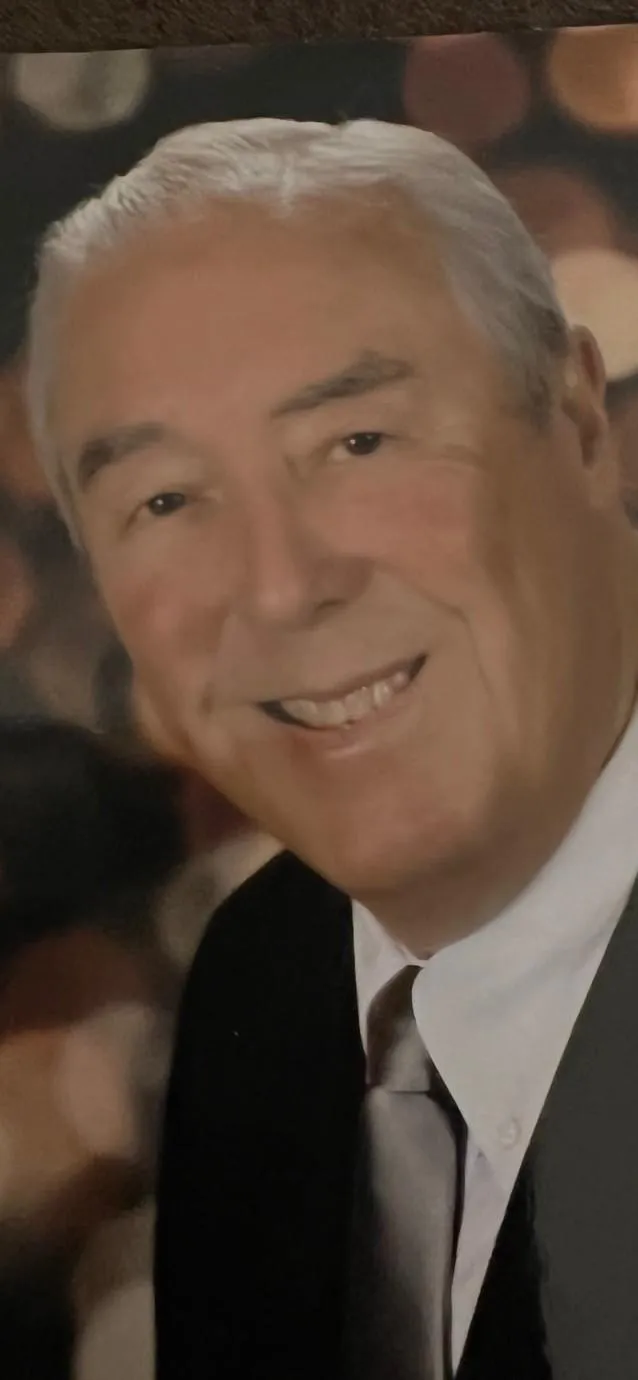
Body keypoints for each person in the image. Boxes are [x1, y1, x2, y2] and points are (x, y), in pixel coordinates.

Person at [24, 117, 638, 1380]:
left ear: (579, 420)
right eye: (164, 500)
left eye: (357, 443)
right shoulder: (264, 986)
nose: (279, 586)